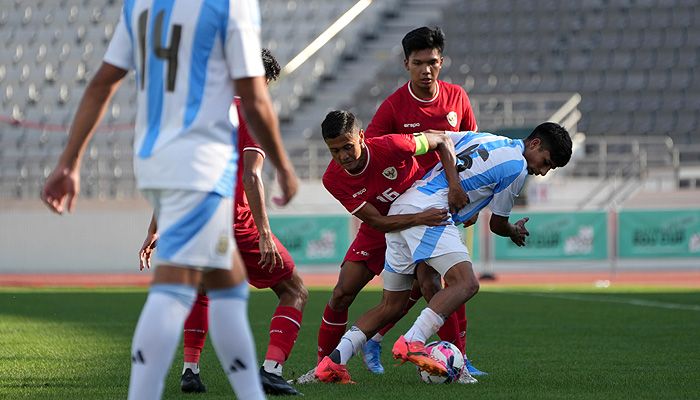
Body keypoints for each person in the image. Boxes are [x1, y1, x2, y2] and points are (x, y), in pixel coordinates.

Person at [41, 2, 298, 399]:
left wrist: (69, 161)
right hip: (204, 159)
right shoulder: (231, 6)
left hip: (157, 156)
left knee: (224, 283)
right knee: (175, 286)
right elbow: (254, 95)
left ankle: (244, 389)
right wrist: (283, 165)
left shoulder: (139, 6)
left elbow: (102, 83)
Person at [315, 123, 573, 384]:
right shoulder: (517, 168)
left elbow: (443, 141)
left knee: (393, 305)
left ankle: (333, 362)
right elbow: (497, 224)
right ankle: (413, 341)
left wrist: (458, 188)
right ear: (535, 144)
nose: (541, 171)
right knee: (467, 283)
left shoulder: (484, 138)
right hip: (431, 212)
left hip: (403, 207)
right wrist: (513, 231)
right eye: (546, 163)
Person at [138, 49, 306, 397]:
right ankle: (271, 370)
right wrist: (264, 232)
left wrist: (155, 226)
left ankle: (190, 370)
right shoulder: (255, 113)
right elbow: (251, 176)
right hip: (235, 220)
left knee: (201, 290)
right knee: (293, 290)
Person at [292, 109, 468, 383]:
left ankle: (460, 366)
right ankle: (324, 370)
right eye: (334, 151)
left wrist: (454, 186)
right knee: (341, 293)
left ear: (361, 137)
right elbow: (377, 221)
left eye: (347, 147)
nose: (343, 156)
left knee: (430, 285)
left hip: (419, 215)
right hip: (384, 226)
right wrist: (421, 217)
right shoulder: (333, 178)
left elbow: (442, 140)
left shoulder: (393, 145)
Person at [362, 25, 483, 376]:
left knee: (433, 284)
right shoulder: (395, 105)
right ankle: (453, 357)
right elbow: (372, 148)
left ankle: (446, 354)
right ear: (406, 64)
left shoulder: (457, 98)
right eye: (418, 63)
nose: (425, 69)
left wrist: (468, 198)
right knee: (439, 283)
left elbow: (469, 146)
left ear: (441, 62)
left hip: (447, 203)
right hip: (409, 207)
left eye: (432, 62)